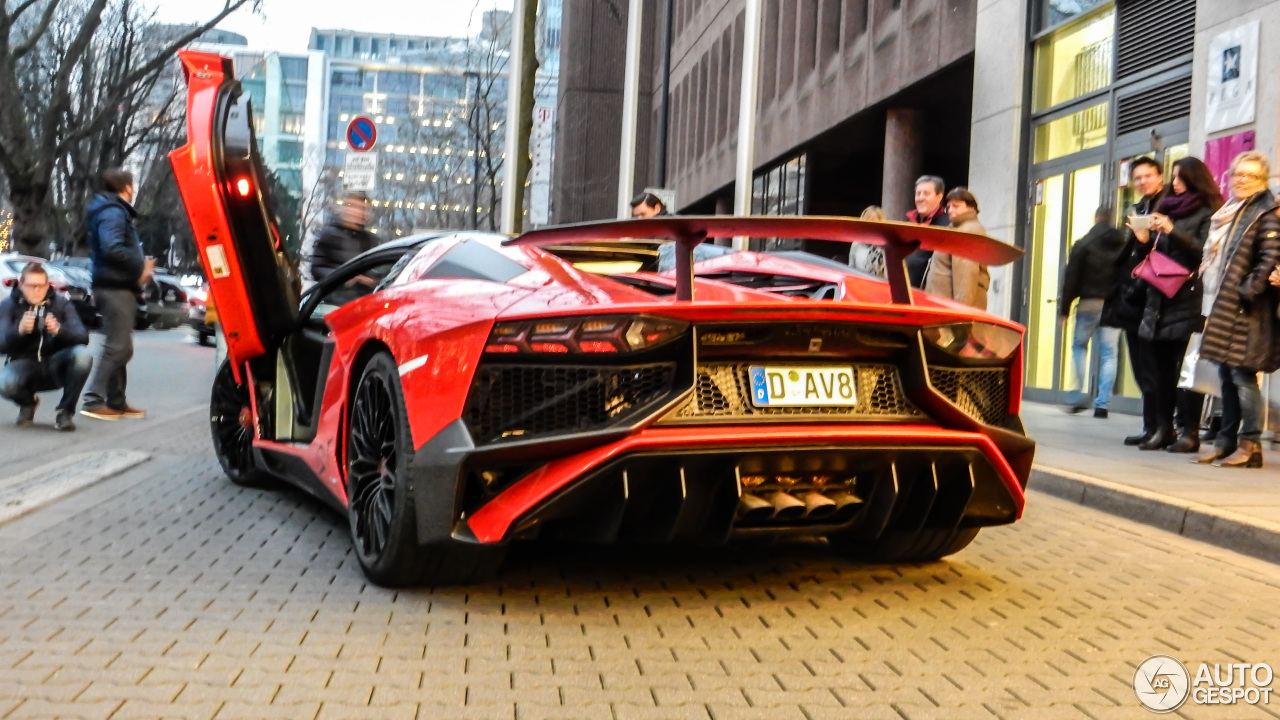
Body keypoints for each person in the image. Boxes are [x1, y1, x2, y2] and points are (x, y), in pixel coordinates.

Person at [1124, 157, 1222, 451]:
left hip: (1188, 298)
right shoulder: (1167, 207)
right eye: (1174, 177)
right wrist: (1144, 239)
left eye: (1180, 178)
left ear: (1194, 179)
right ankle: (1161, 429)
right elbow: (1156, 254)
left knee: (1186, 372)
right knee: (1158, 371)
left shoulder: (1209, 211)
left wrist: (1171, 230)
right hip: (1158, 297)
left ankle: (1189, 432)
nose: (1174, 183)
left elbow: (1203, 251)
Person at [1194, 151, 1280, 468]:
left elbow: (1269, 258)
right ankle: (1225, 441)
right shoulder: (1235, 210)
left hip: (1249, 311)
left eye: (1250, 176)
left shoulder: (1266, 213)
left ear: (1263, 180)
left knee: (1243, 377)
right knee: (1226, 376)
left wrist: (1248, 291)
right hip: (1228, 305)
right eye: (1238, 174)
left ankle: (1251, 444)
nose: (1242, 180)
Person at [1101, 156, 1166, 446]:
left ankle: (1160, 427)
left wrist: (1143, 240)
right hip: (1133, 298)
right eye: (1138, 178)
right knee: (1141, 368)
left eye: (1148, 176)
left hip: (1152, 298)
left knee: (1153, 369)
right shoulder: (1140, 208)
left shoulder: (1166, 208)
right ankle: (1149, 425)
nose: (1142, 182)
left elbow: (1157, 253)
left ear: (1160, 177)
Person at [81, 168, 152, 421]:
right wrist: (138, 267)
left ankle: (117, 401)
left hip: (116, 284)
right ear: (127, 187)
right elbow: (112, 248)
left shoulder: (111, 210)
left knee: (122, 346)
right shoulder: (113, 212)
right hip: (114, 287)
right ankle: (93, 399)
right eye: (132, 185)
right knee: (118, 347)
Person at [0, 264, 93, 430]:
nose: (37, 290)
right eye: (31, 286)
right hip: (25, 366)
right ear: (21, 285)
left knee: (83, 355)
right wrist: (18, 331)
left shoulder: (61, 304)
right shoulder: (8, 306)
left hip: (55, 365)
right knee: (4, 382)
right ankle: (28, 403)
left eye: (41, 286)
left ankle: (65, 412)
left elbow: (83, 337)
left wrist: (59, 331)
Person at [1060, 207, 1125, 418]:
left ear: (1096, 218)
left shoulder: (1082, 244)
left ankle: (1077, 395)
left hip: (1088, 304)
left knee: (1079, 347)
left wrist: (1065, 310)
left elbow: (1071, 278)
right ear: (1111, 219)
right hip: (1113, 306)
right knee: (1109, 354)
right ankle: (1102, 404)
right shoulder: (1123, 244)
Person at [924, 187, 990, 310]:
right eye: (948, 207)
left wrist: (961, 311)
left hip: (949, 310)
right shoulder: (958, 229)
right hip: (944, 306)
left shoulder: (969, 231)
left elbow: (966, 275)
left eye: (956, 206)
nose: (950, 210)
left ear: (971, 207)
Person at [309, 192, 377, 284]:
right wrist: (343, 278)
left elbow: (379, 271)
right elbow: (316, 269)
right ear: (343, 209)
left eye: (362, 208)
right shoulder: (329, 235)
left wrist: (371, 280)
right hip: (334, 295)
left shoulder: (370, 240)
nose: (357, 212)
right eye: (352, 206)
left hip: (364, 296)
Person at [904, 176, 949, 288]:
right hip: (907, 290)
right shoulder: (909, 224)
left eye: (926, 193)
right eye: (918, 193)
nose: (921, 198)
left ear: (939, 197)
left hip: (930, 295)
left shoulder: (948, 226)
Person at [849, 205, 886, 277]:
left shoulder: (885, 246)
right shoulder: (856, 244)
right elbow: (851, 269)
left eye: (873, 223)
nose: (870, 227)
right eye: (867, 222)